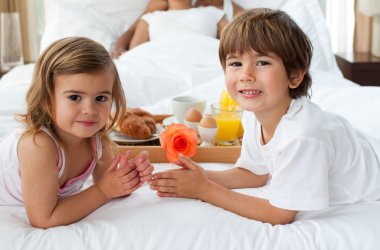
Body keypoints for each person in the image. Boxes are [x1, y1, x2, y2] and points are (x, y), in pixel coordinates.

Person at [142, 8, 380, 225]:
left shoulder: (303, 135)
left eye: (262, 62)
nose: (246, 74)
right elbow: (254, 174)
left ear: (295, 76)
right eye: (235, 63)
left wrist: (204, 190)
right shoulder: (253, 115)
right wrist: (202, 176)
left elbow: (280, 213)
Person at [0, 37, 154, 228]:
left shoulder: (97, 140)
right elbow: (43, 218)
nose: (90, 109)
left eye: (100, 98)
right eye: (75, 97)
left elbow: (112, 186)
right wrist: (102, 191)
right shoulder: (38, 145)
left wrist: (128, 177)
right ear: (47, 99)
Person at [111, 0, 244, 57]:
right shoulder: (151, 17)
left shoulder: (213, 12)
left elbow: (233, 42)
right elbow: (136, 53)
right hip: (157, 58)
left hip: (204, 56)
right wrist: (119, 48)